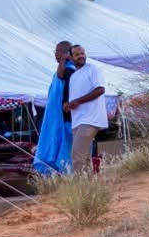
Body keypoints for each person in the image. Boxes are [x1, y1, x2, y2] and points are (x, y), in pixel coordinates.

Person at [32, 40, 76, 177]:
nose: (55, 54)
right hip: (55, 117)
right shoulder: (62, 69)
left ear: (64, 52)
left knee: (62, 146)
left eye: (57, 51)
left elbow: (61, 76)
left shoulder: (70, 70)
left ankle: (65, 174)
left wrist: (64, 59)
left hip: (63, 119)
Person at [63, 43, 108, 174]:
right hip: (77, 120)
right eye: (77, 54)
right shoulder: (73, 76)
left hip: (90, 119)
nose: (81, 56)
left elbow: (100, 89)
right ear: (71, 58)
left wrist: (77, 101)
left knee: (76, 155)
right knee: (84, 157)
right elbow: (74, 100)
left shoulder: (93, 69)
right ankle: (90, 187)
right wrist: (69, 105)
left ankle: (80, 186)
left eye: (82, 53)